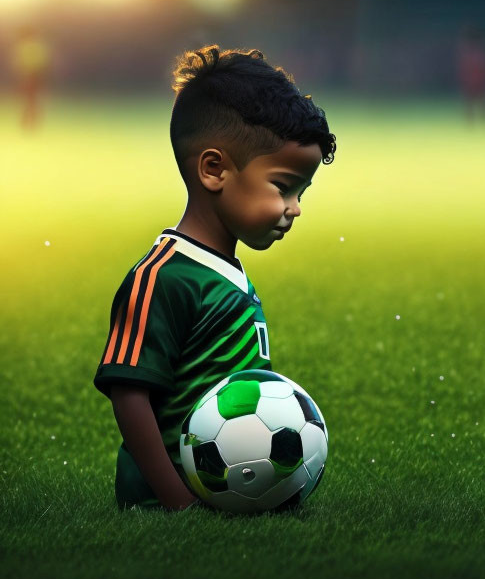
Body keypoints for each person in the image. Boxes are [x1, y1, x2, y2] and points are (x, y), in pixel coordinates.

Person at [93, 46, 336, 511]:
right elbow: (129, 395)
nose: (295, 208)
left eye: (301, 192)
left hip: (223, 489)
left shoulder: (224, 269)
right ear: (214, 169)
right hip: (163, 501)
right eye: (283, 187)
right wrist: (177, 501)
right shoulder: (162, 276)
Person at [12, 25, 51, 131]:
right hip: (32, 78)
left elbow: (33, 65)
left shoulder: (30, 46)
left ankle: (28, 123)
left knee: (31, 101)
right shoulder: (34, 46)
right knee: (32, 102)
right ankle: (29, 123)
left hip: (32, 78)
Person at [457, 24, 485, 125]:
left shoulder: (475, 52)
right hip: (472, 81)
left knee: (480, 104)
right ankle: (474, 124)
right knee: (473, 104)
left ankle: (482, 123)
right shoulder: (472, 52)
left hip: (477, 81)